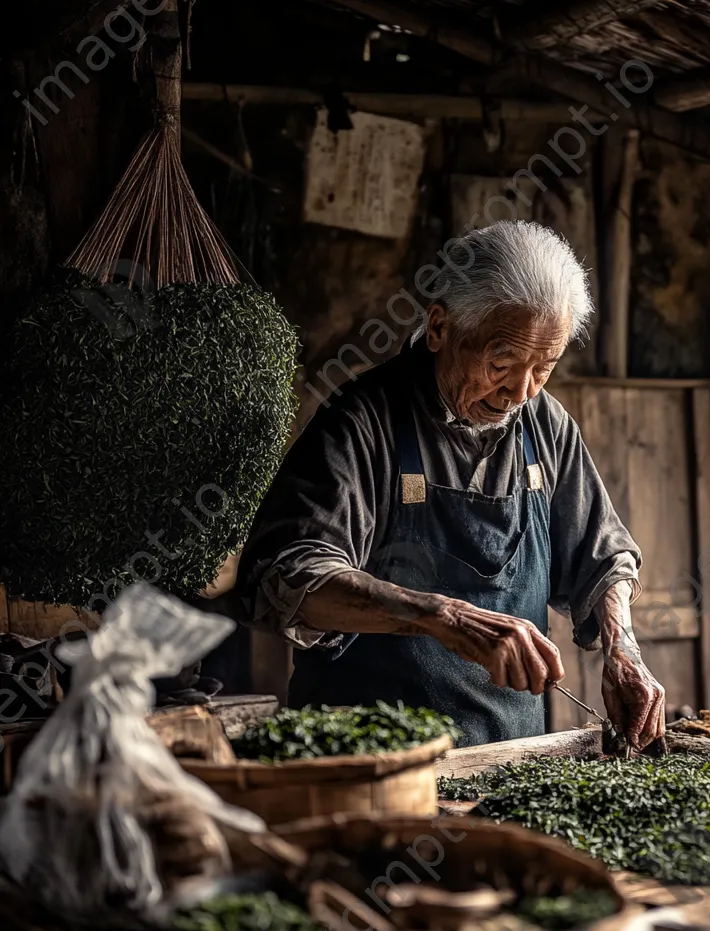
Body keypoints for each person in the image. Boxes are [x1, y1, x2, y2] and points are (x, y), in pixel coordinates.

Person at [237, 220, 665, 749]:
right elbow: (288, 577)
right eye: (501, 363)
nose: (520, 392)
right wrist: (442, 615)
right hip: (368, 762)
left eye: (544, 368)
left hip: (506, 756)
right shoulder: (362, 422)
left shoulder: (546, 425)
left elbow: (606, 557)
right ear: (439, 328)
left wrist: (624, 649)